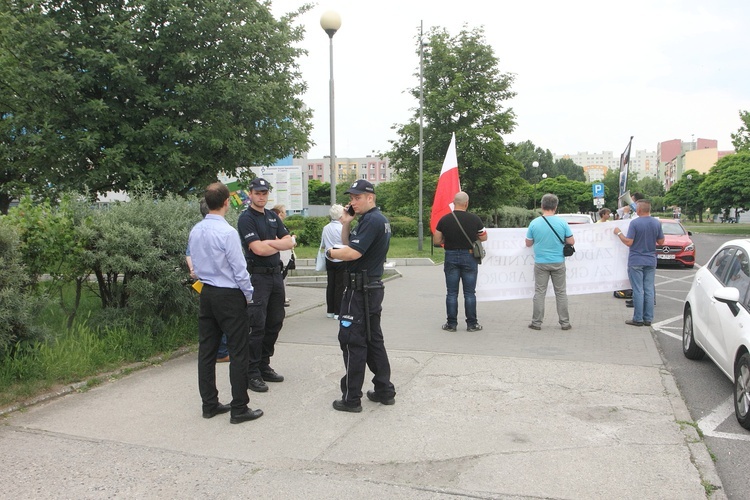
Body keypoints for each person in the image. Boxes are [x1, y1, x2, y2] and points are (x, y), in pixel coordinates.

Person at [187, 182, 263, 424]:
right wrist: (249, 295)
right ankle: (239, 407)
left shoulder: (196, 230)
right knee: (239, 351)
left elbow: (195, 265)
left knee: (207, 350)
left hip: (207, 292)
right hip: (229, 294)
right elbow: (239, 269)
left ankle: (209, 404)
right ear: (227, 202)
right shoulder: (228, 232)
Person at [325, 179, 396, 413]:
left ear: (370, 198)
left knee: (352, 341)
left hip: (359, 291)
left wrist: (329, 252)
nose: (353, 201)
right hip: (369, 289)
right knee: (373, 340)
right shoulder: (373, 220)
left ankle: (351, 398)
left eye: (357, 197)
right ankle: (384, 390)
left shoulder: (372, 220)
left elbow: (352, 253)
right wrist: (346, 223)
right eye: (351, 198)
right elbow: (351, 243)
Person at [237, 178, 296, 393]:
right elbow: (257, 250)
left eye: (264, 193)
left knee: (275, 321)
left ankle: (264, 364)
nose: (261, 196)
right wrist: (276, 244)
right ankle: (251, 372)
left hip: (275, 277)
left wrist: (269, 244)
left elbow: (290, 241)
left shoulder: (272, 216)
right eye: (257, 192)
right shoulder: (246, 219)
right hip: (258, 278)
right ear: (250, 194)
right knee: (257, 325)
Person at [433, 191, 488, 332]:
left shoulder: (444, 219)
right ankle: (472, 324)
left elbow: (437, 240)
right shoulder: (475, 219)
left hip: (450, 256)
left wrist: (448, 240)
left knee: (451, 292)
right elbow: (484, 237)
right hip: (469, 257)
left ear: (454, 202)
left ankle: (451, 324)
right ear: (466, 203)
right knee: (469, 293)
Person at [186, 198, 229, 363]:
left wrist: (193, 269)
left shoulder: (197, 229)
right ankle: (222, 351)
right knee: (223, 317)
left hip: (203, 281)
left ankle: (214, 351)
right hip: (221, 282)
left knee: (209, 320)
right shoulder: (223, 229)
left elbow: (189, 252)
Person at [525, 193, 574, 331]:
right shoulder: (562, 223)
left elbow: (528, 243)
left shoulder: (534, 223)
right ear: (556, 207)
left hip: (541, 262)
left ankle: (536, 322)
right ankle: (565, 323)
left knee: (540, 292)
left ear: (542, 206)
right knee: (561, 293)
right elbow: (571, 241)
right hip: (558, 261)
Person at [613, 199, 665, 327]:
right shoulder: (656, 223)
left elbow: (629, 242)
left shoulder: (635, 223)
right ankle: (648, 318)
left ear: (639, 210)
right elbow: (661, 242)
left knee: (638, 290)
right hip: (651, 260)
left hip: (636, 260)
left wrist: (618, 233)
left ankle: (638, 319)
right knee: (649, 289)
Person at [320, 204, 347, 320]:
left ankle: (330, 310)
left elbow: (323, 244)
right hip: (340, 258)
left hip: (329, 257)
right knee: (340, 286)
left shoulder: (326, 227)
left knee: (330, 284)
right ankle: (338, 311)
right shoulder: (342, 228)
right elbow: (346, 242)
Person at [271, 204, 294, 307]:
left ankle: (283, 296)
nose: (285, 215)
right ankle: (281, 298)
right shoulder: (275, 225)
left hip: (286, 253)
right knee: (282, 275)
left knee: (284, 276)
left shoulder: (281, 226)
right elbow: (278, 240)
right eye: (284, 212)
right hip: (282, 254)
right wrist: (292, 240)